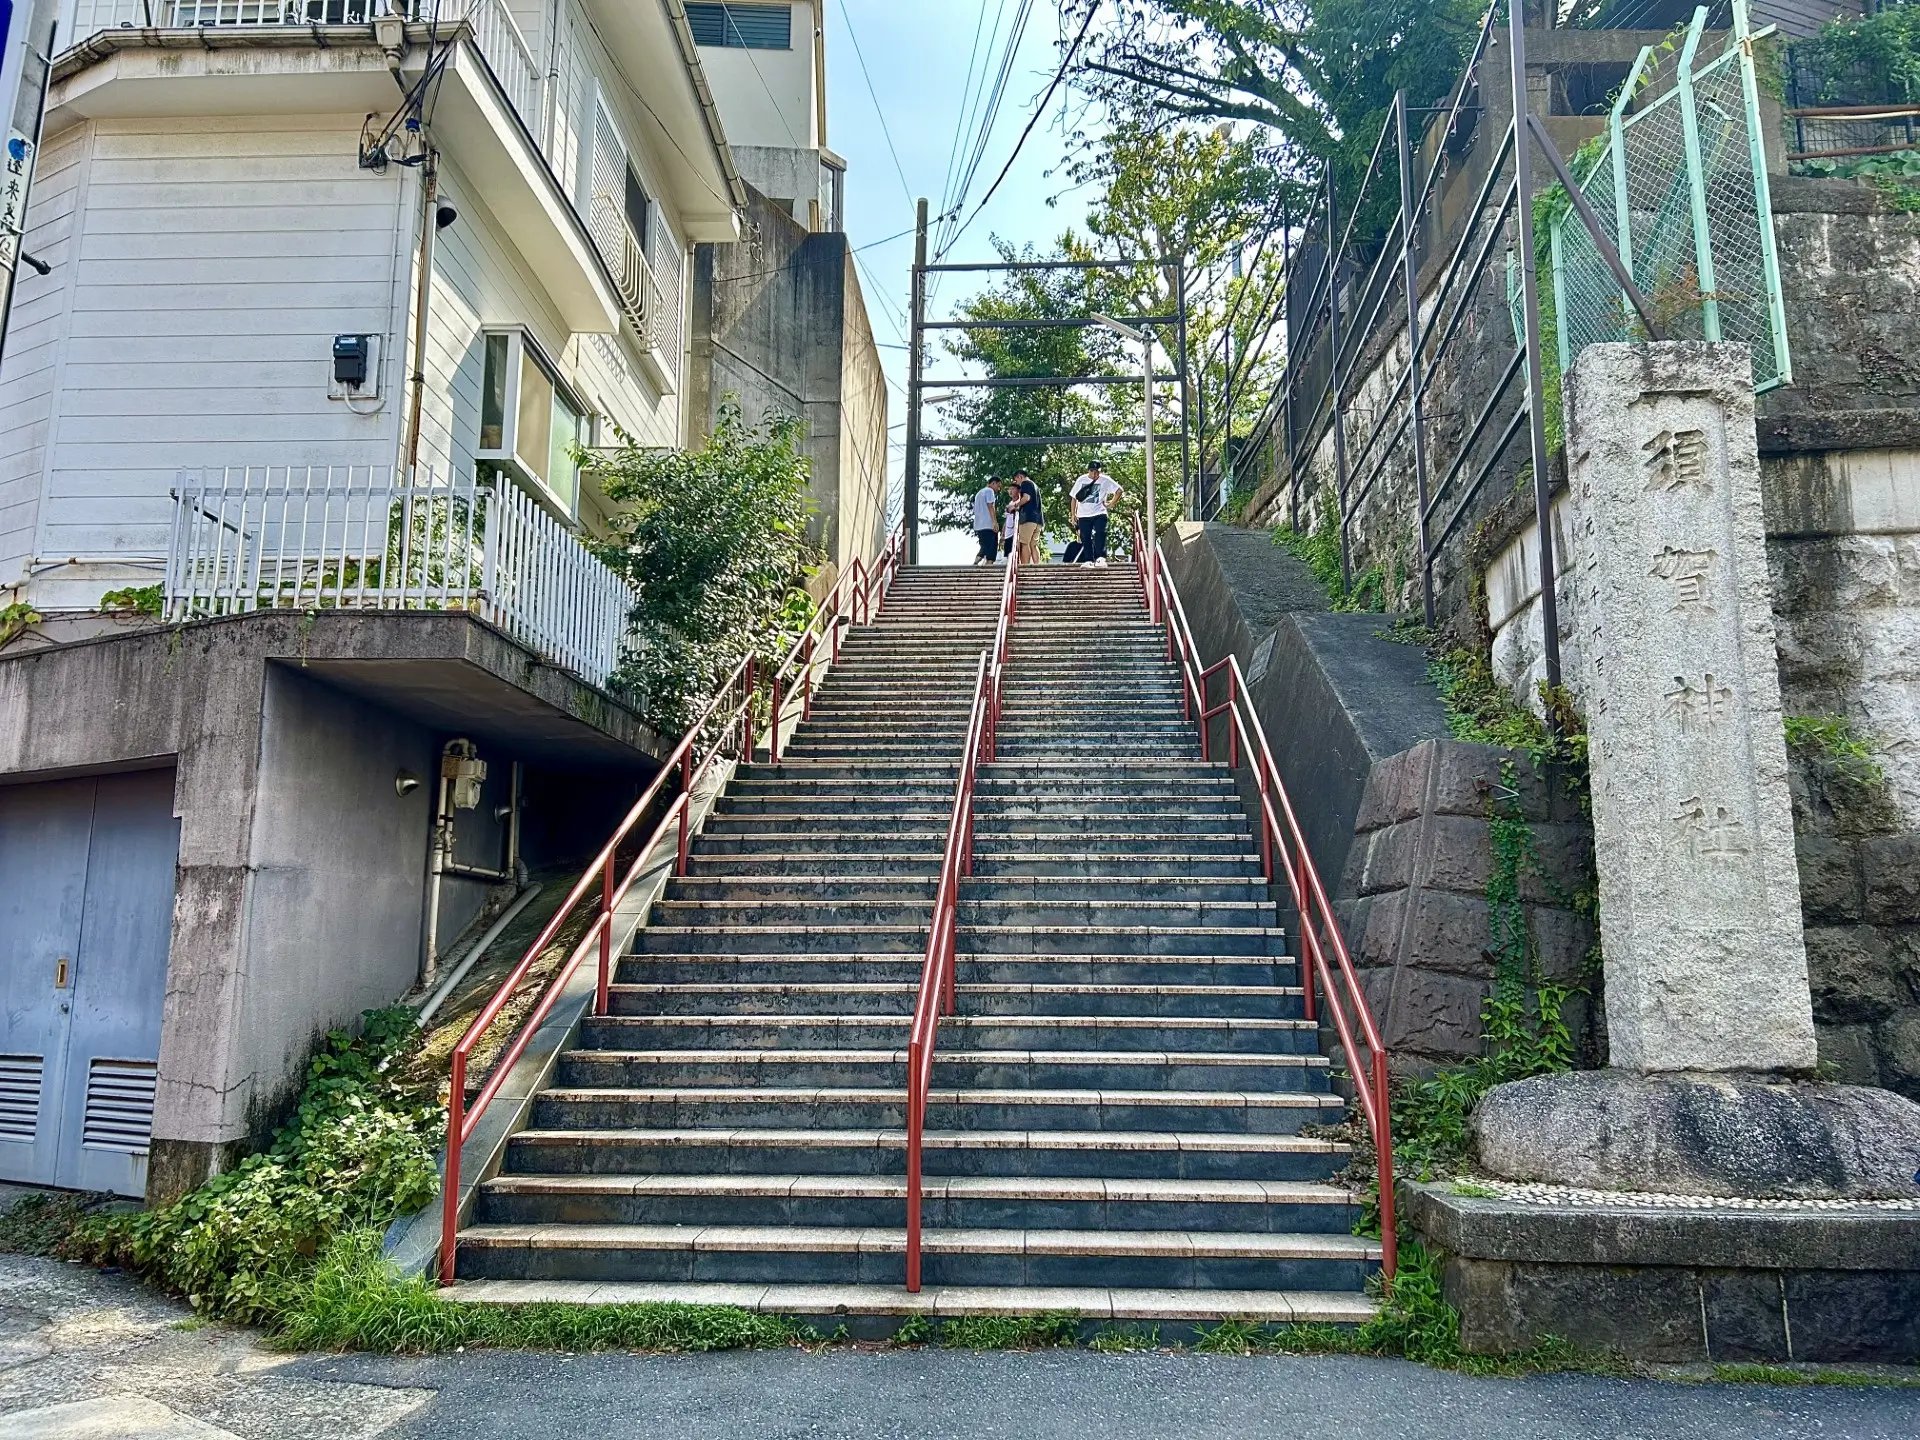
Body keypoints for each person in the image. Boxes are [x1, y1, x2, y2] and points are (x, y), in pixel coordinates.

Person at [1070, 460, 1121, 566]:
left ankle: (1100, 557)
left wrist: (1111, 504)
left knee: (1100, 532)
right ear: (1088, 471)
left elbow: (1119, 490)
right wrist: (1073, 514)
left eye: (1097, 472)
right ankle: (1088, 560)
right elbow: (1074, 498)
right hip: (1083, 514)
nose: (1095, 474)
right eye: (1092, 471)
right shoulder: (1081, 480)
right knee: (1085, 536)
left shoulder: (1105, 480)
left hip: (1099, 512)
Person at [1012, 468, 1044, 564]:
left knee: (1024, 543)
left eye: (1016, 480)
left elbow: (1026, 498)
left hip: (1028, 518)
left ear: (1020, 477)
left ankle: (1025, 566)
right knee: (1033, 544)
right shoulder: (1035, 486)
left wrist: (1016, 506)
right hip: (1038, 519)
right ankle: (1037, 565)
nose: (1017, 483)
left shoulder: (1025, 484)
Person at [971, 476, 1002, 565]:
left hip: (979, 525)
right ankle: (987, 561)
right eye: (998, 486)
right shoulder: (989, 491)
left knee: (984, 544)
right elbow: (990, 506)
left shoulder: (979, 493)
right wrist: (994, 522)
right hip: (988, 524)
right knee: (992, 545)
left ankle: (979, 559)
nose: (998, 489)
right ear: (993, 483)